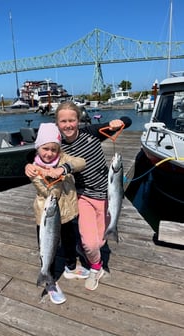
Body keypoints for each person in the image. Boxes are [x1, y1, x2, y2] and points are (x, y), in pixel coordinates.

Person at [26, 102, 132, 291]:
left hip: (107, 193)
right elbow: (35, 154)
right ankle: (96, 267)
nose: (68, 125)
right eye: (63, 121)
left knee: (100, 241)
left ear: (78, 120)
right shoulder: (58, 146)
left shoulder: (91, 131)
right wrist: (28, 165)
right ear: (57, 123)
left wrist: (119, 121)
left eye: (72, 120)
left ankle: (84, 249)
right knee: (91, 244)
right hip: (82, 196)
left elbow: (128, 121)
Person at [29, 122, 88, 304]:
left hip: (68, 213)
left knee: (70, 242)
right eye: (45, 149)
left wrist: (63, 169)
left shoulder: (63, 159)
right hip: (47, 217)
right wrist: (47, 175)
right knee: (48, 249)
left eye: (54, 149)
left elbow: (81, 162)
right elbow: (49, 193)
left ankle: (70, 267)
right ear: (38, 148)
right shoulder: (33, 169)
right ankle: (49, 279)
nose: (49, 153)